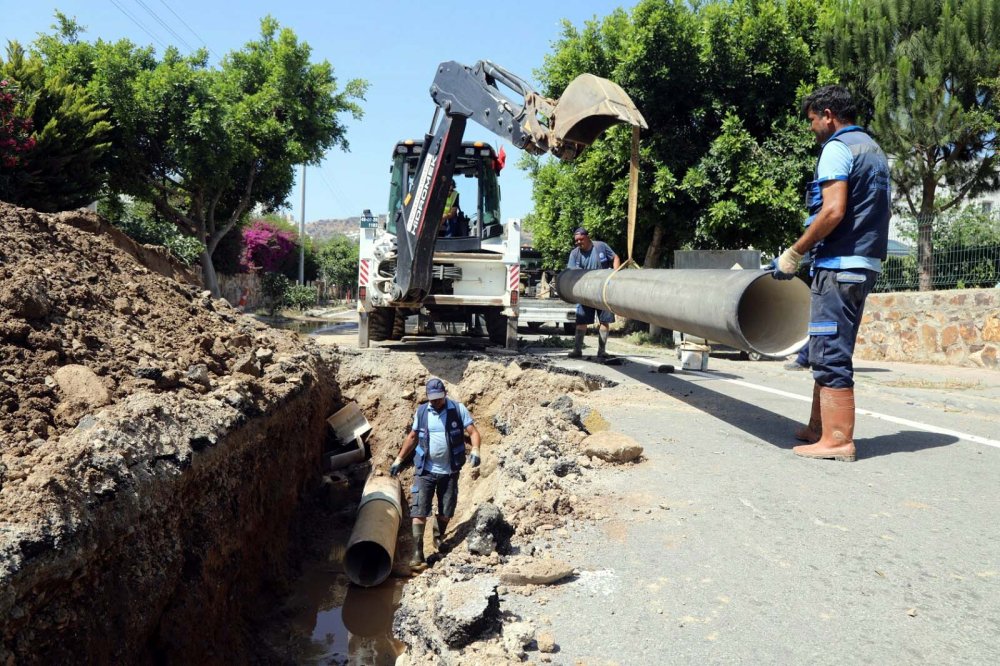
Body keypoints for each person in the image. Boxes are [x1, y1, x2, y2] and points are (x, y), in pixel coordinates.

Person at [771, 84, 891, 462]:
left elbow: (833, 210)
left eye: (812, 120)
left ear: (828, 115)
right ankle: (818, 427)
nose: (811, 129)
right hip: (864, 264)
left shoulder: (837, 148)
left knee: (829, 351)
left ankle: (837, 441)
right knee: (827, 348)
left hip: (839, 265)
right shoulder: (873, 150)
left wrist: (795, 252)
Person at [389, 377, 481, 569]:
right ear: (428, 397)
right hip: (426, 470)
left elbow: (473, 432)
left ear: (445, 395)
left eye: (439, 398)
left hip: (450, 471)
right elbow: (413, 437)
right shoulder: (422, 412)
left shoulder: (457, 409)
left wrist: (476, 450)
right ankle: (417, 551)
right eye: (432, 399)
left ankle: (438, 538)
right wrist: (399, 459)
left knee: (447, 510)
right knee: (419, 510)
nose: (436, 402)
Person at [566, 227, 621, 358]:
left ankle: (602, 351)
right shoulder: (575, 254)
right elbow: (571, 270)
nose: (578, 242)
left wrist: (616, 274)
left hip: (603, 291)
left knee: (604, 321)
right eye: (576, 240)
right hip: (585, 293)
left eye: (581, 239)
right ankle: (577, 350)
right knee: (581, 322)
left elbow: (615, 257)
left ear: (587, 237)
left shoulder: (601, 246)